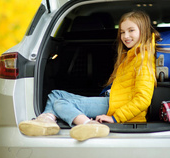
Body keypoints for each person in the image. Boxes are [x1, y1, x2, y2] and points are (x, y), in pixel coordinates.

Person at [19, 10, 160, 141]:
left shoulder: (143, 60)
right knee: (55, 94)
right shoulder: (131, 55)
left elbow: (143, 99)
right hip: (113, 101)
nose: (126, 36)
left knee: (60, 103)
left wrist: (116, 118)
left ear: (144, 31)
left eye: (131, 30)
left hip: (117, 108)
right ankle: (46, 121)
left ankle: (89, 125)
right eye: (122, 32)